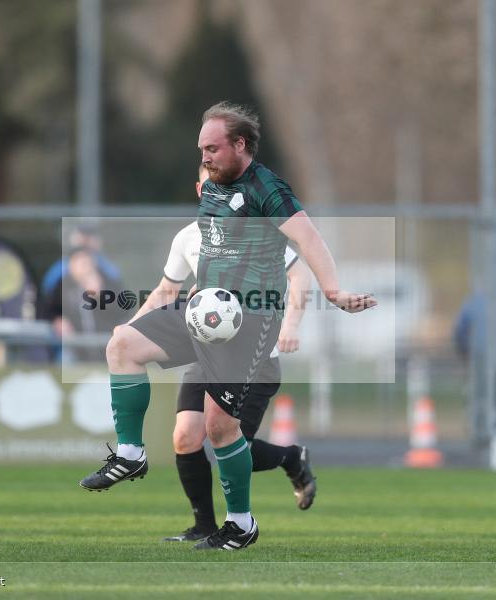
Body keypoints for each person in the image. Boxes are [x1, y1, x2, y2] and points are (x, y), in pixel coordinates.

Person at [79, 102, 375, 551]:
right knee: (122, 345)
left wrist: (332, 291)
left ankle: (240, 523)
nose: (205, 156)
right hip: (203, 312)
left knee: (220, 431)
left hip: (251, 321)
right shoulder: (211, 188)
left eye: (213, 148)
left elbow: (308, 238)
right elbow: (166, 287)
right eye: (201, 149)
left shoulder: (266, 188)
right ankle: (130, 454)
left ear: (240, 144)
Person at [125, 165, 315, 543]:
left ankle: (290, 458)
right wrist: (129, 331)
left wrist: (290, 325)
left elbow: (300, 274)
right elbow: (166, 289)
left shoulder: (254, 233)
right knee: (185, 436)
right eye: (212, 184)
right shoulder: (187, 238)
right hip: (205, 351)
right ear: (201, 189)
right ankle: (204, 525)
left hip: (256, 356)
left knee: (226, 439)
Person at [44, 245, 129, 361]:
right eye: (78, 262)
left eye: (86, 262)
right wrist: (58, 319)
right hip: (75, 347)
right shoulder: (63, 285)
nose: (83, 267)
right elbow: (48, 309)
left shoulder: (108, 282)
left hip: (107, 345)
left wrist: (100, 296)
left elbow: (123, 312)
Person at [42, 224, 121, 296]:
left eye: (88, 237)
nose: (84, 241)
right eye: (82, 238)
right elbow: (48, 288)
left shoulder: (107, 268)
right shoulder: (62, 267)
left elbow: (117, 288)